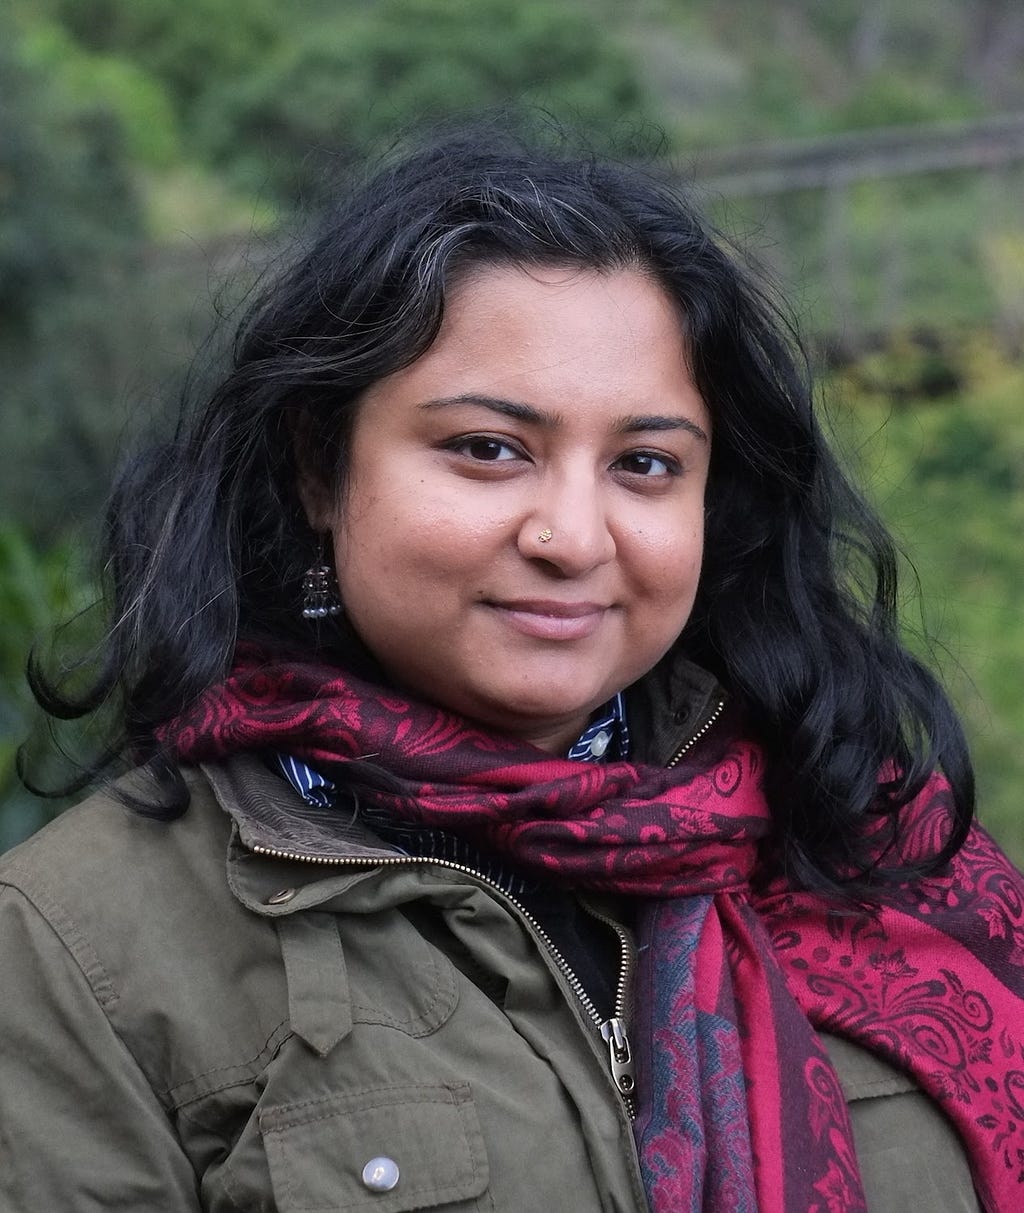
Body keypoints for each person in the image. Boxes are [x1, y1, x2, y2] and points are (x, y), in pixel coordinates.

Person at [2, 128, 1022, 1213]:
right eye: (489, 447)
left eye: (644, 464)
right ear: (317, 464)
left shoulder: (873, 850)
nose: (574, 537)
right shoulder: (80, 945)